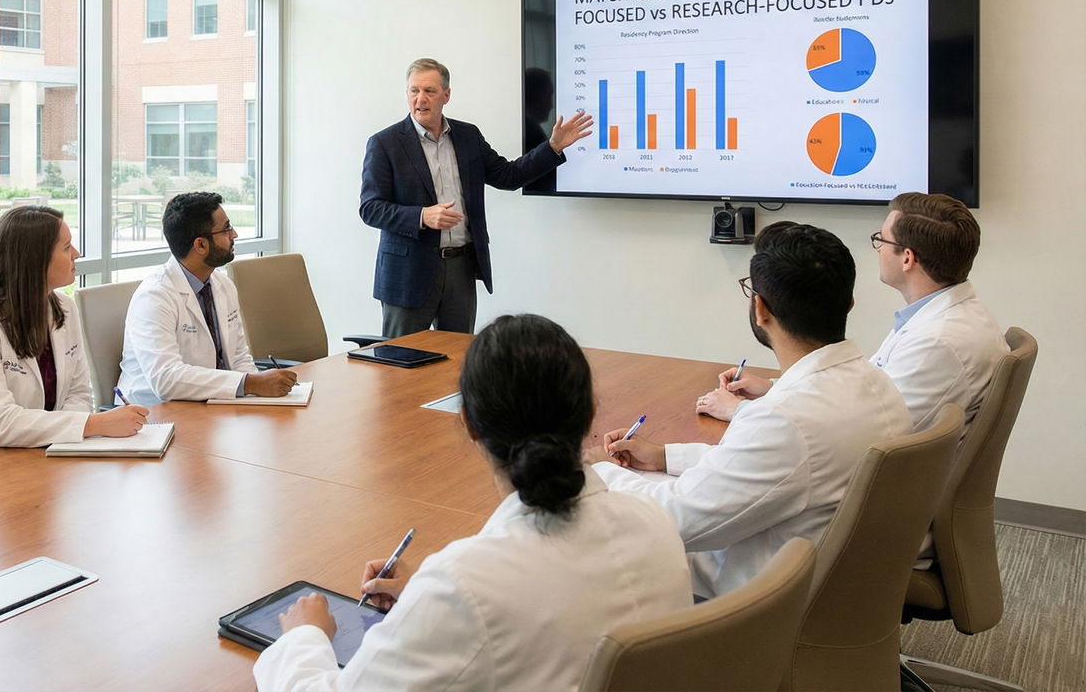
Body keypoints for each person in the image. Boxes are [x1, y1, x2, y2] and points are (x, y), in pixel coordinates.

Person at [254, 315, 691, 691]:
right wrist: (426, 607)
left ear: (468, 424)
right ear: (590, 415)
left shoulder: (466, 585)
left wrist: (305, 636)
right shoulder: (653, 522)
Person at [595, 222, 910, 598]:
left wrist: (596, 471)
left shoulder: (785, 419)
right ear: (849, 303)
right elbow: (765, 465)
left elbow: (675, 520)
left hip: (748, 603)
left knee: (590, 540)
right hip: (836, 584)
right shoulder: (878, 383)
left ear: (760, 308)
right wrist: (666, 457)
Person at [698, 192, 1004, 432]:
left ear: (907, 258)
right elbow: (864, 395)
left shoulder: (937, 341)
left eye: (881, 240)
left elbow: (871, 427)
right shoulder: (948, 317)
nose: (878, 249)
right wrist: (774, 390)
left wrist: (741, 411)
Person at [359, 58, 593, 336]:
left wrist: (552, 146)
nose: (421, 99)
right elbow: (370, 208)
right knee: (402, 362)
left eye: (430, 91)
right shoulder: (385, 143)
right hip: (407, 273)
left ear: (446, 95)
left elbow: (508, 176)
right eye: (414, 91)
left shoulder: (468, 136)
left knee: (458, 362)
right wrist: (422, 216)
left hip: (460, 267)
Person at [0, 206, 149, 461]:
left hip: (39, 455)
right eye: (66, 247)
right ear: (34, 259)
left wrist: (71, 433)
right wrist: (92, 425)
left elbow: (78, 393)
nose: (76, 253)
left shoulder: (63, 308)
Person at [119, 192, 296, 405]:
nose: (235, 235)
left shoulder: (223, 285)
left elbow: (239, 358)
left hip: (212, 406)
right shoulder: (154, 297)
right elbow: (166, 379)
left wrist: (261, 395)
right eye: (227, 229)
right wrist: (250, 383)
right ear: (201, 245)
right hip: (156, 415)